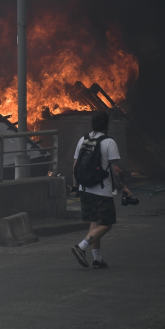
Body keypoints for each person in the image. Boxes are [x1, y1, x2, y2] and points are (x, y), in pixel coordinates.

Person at [70, 111, 132, 269]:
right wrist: (124, 187)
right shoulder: (109, 142)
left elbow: (75, 166)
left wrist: (75, 187)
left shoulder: (83, 139)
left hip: (84, 189)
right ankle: (81, 247)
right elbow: (116, 169)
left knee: (95, 221)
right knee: (106, 224)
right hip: (101, 191)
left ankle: (97, 258)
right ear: (107, 125)